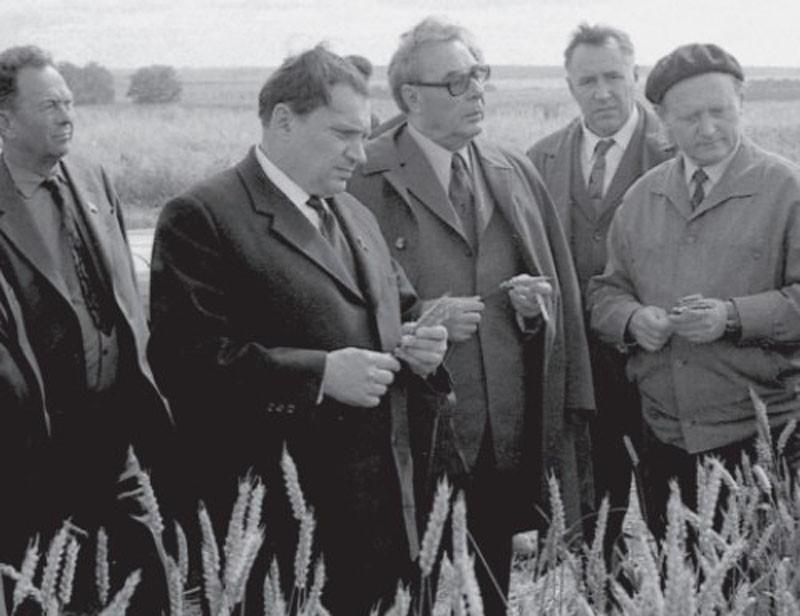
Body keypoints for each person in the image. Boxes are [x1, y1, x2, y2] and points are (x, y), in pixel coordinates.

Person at [148, 45, 449, 615]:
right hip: (278, 532)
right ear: (284, 120)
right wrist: (319, 375)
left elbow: (402, 312)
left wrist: (423, 347)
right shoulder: (202, 216)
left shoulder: (354, 213)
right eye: (343, 134)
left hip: (380, 522)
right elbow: (184, 363)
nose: (359, 154)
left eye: (364, 135)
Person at [348, 17, 595, 614]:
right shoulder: (359, 175)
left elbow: (554, 303)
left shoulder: (511, 170)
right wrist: (413, 327)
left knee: (489, 595)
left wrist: (531, 310)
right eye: (457, 82)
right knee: (403, 594)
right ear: (411, 97)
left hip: (499, 435)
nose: (477, 91)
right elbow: (332, 307)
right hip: (407, 437)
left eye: (479, 75)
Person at [588, 43, 800, 536]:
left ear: (741, 104)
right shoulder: (643, 197)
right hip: (664, 438)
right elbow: (605, 294)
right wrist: (632, 320)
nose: (707, 129)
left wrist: (732, 316)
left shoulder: (787, 190)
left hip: (766, 439)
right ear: (662, 119)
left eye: (719, 112)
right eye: (689, 118)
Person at [0, 45, 173, 610]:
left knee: (151, 586)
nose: (67, 115)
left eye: (70, 102)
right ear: (5, 119)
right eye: (49, 105)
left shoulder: (91, 178)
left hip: (116, 440)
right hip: (35, 454)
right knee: (47, 596)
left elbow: (125, 302)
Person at [527, 24, 672, 550]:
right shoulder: (538, 160)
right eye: (588, 81)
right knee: (590, 520)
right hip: (579, 372)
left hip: (660, 364)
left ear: (635, 75)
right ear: (570, 86)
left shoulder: (674, 152)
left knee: (672, 517)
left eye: (614, 76)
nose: (603, 92)